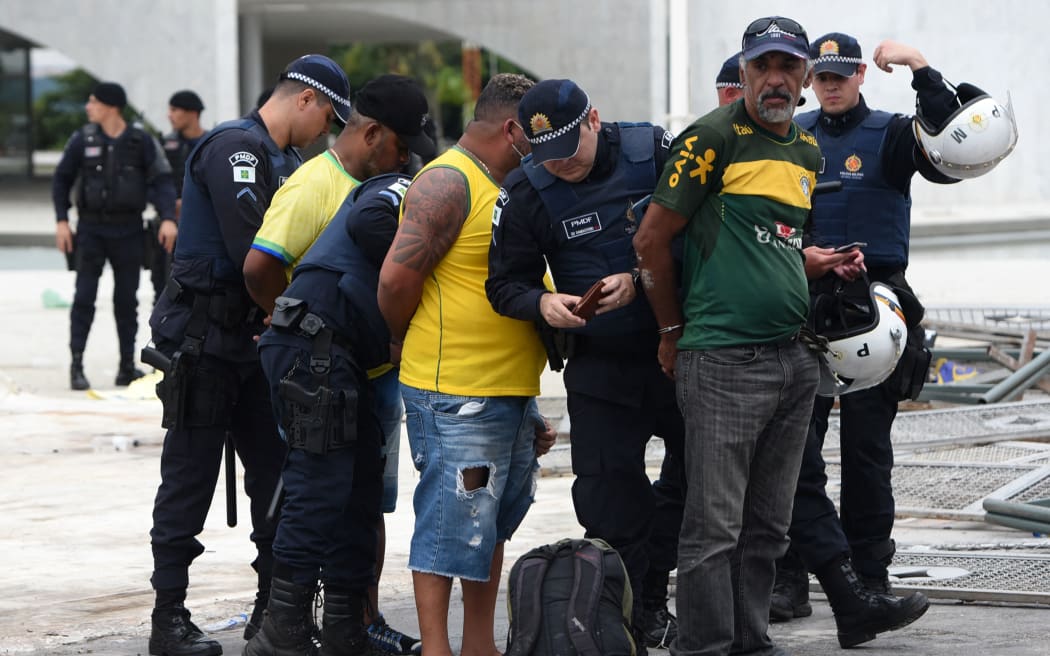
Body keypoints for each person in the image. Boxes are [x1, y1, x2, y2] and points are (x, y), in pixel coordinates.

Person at [632, 16, 831, 656]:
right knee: (713, 528)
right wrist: (670, 331)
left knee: (769, 526)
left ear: (804, 76)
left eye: (788, 67)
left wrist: (815, 262)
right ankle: (704, 646)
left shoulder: (806, 150)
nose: (775, 79)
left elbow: (777, 244)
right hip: (722, 359)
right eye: (762, 67)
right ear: (743, 71)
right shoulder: (712, 138)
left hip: (793, 359)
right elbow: (650, 240)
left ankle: (750, 640)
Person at [145, 54, 349, 656]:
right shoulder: (237, 148)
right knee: (189, 479)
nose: (326, 132)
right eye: (328, 118)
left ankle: (274, 611)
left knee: (276, 480)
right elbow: (252, 249)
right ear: (306, 100)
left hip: (257, 342)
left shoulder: (286, 159)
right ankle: (168, 618)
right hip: (206, 342)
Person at [769, 33, 965, 648]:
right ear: (810, 80)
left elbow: (953, 138)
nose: (829, 85)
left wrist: (918, 65)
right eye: (820, 76)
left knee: (866, 452)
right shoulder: (789, 135)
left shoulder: (888, 134)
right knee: (793, 452)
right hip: (800, 300)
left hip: (876, 307)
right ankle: (789, 578)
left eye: (839, 74)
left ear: (858, 76)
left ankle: (871, 577)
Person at [485, 78, 685, 653]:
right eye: (546, 156)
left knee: (699, 480)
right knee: (607, 495)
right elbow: (504, 285)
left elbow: (705, 237)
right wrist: (542, 304)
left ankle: (657, 588)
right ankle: (628, 610)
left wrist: (643, 281)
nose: (561, 166)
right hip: (600, 366)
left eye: (569, 149)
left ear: (594, 120)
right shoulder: (526, 189)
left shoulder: (656, 152)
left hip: (677, 349)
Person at [242, 73, 436, 655]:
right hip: (316, 349)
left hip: (345, 357)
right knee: (317, 489)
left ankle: (347, 627)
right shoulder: (392, 190)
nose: (409, 162)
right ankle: (282, 632)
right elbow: (371, 227)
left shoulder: (378, 179)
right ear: (375, 134)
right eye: (404, 149)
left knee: (354, 493)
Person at [378, 73, 556, 656]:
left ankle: (480, 645)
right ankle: (438, 649)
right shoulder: (448, 182)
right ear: (511, 129)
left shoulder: (501, 185)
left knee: (490, 525)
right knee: (446, 526)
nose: (541, 148)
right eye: (535, 136)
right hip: (455, 392)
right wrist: (401, 339)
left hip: (505, 388)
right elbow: (396, 279)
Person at [52, 81, 177, 390]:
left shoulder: (140, 140)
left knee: (126, 300)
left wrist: (167, 219)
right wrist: (61, 221)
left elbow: (162, 180)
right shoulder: (83, 139)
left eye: (93, 102)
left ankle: (125, 367)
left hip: (129, 230)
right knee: (84, 298)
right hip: (91, 229)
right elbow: (61, 179)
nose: (88, 107)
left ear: (111, 106)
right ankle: (77, 365)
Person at [151, 90, 209, 304]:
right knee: (162, 287)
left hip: (200, 229)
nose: (169, 115)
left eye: (174, 110)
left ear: (192, 113)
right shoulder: (163, 146)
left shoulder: (211, 143)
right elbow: (150, 183)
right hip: (167, 227)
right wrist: (167, 205)